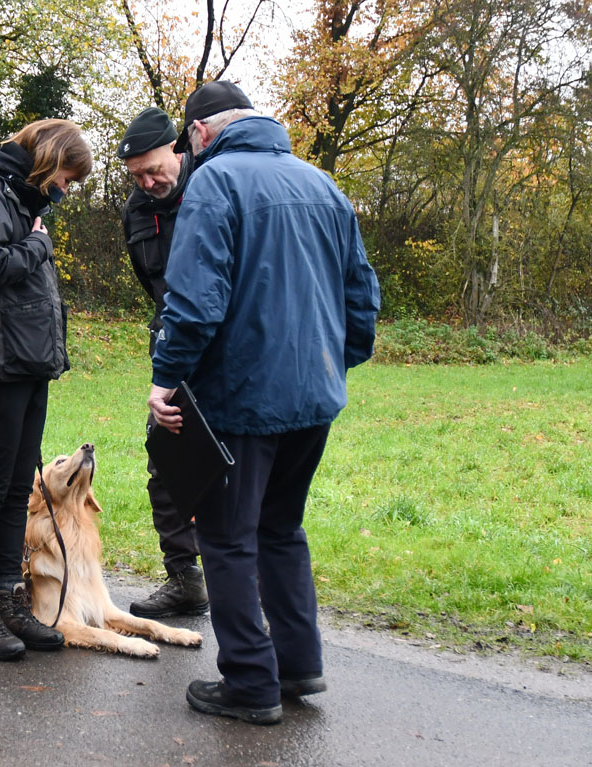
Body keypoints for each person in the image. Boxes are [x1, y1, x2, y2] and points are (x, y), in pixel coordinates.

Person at [146, 81, 380, 725]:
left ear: (198, 133)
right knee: (281, 528)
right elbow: (362, 298)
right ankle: (299, 666)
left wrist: (166, 379)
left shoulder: (215, 185)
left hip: (242, 398)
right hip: (315, 397)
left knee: (224, 537)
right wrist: (331, 364)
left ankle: (250, 682)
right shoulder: (324, 185)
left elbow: (193, 305)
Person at [0, 118, 92, 661]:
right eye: (67, 178)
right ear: (48, 160)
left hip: (28, 365)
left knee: (12, 491)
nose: (66, 190)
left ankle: (9, 598)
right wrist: (37, 248)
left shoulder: (21, 200)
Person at [116, 107, 208, 618]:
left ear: (179, 149)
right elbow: (155, 288)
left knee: (230, 466)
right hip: (171, 346)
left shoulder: (215, 184)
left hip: (224, 350)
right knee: (165, 461)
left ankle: (241, 578)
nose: (148, 181)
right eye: (137, 176)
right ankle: (185, 579)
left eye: (154, 169)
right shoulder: (135, 211)